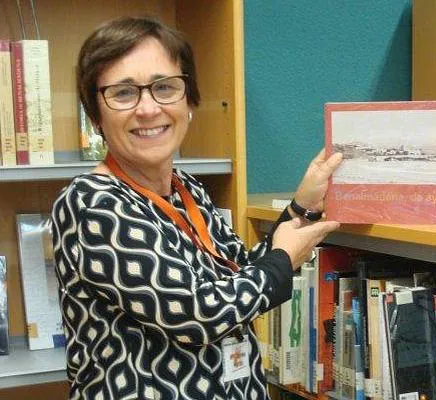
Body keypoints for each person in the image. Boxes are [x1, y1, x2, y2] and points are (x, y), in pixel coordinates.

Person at [51, 16, 342, 400]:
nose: (148, 108)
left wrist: (301, 208)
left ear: (189, 101)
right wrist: (283, 260)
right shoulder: (91, 204)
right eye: (123, 93)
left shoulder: (186, 188)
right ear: (95, 116)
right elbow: (198, 315)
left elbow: (242, 275)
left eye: (164, 87)